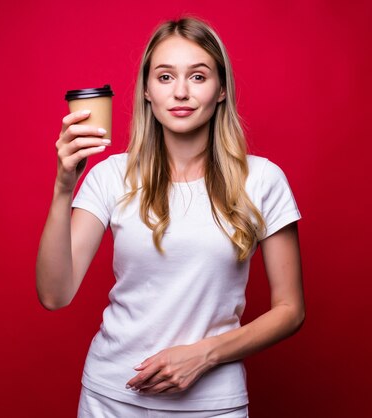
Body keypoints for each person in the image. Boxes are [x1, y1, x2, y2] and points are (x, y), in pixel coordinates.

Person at [36, 17, 305, 418]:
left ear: (221, 90)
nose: (181, 92)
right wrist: (63, 187)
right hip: (110, 398)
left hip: (214, 403)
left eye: (198, 76)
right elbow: (55, 295)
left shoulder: (263, 179)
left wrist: (204, 354)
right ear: (146, 90)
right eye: (165, 77)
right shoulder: (112, 175)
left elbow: (290, 309)